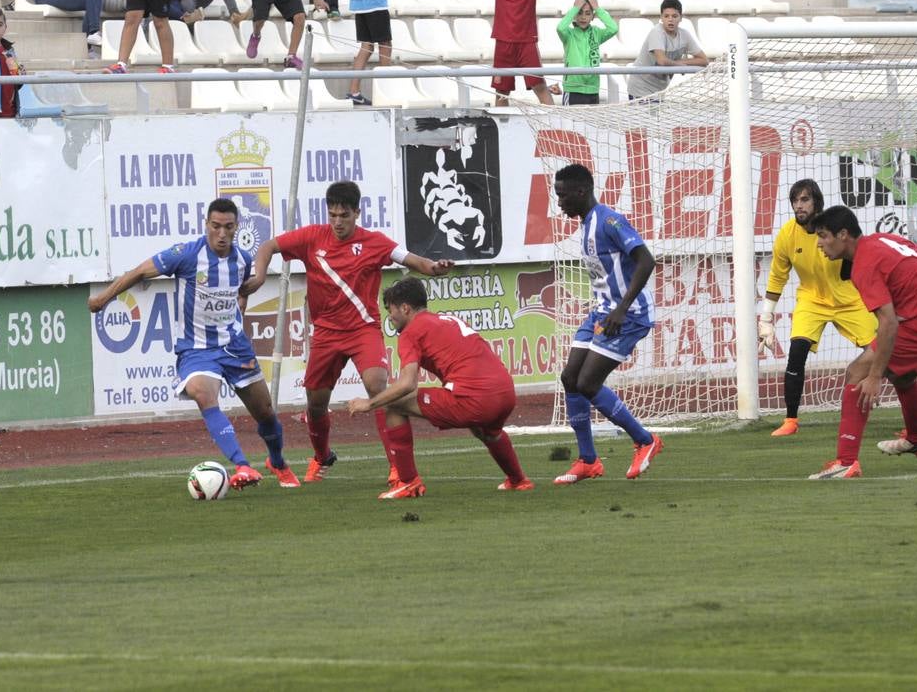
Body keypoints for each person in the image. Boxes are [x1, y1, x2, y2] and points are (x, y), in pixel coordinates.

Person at [243, 180, 453, 485]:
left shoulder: (374, 242)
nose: (338, 222)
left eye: (344, 215)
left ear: (357, 212)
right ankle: (322, 456)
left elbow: (411, 260)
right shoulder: (313, 237)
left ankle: (397, 468)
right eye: (333, 215)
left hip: (362, 330)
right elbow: (268, 246)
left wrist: (434, 267)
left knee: (378, 387)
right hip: (326, 333)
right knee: (316, 403)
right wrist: (260, 275)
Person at [88, 199, 300, 490]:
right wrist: (103, 298)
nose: (222, 234)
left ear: (236, 227)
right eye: (216, 227)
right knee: (203, 393)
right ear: (206, 225)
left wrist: (238, 315)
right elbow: (138, 272)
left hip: (235, 346)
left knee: (265, 412)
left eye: (228, 227)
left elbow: (239, 293)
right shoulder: (186, 254)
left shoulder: (241, 260)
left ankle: (277, 461)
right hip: (197, 349)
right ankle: (242, 465)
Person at [759, 180, 917, 438]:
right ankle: (791, 420)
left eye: (804, 200)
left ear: (816, 203)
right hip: (812, 300)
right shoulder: (786, 236)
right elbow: (777, 277)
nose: (799, 206)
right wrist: (766, 317)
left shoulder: (834, 228)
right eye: (795, 201)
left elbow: (858, 254)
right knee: (796, 352)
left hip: (849, 299)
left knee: (882, 354)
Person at [809, 206, 917, 480]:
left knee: (858, 372)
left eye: (823, 236)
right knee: (902, 376)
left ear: (843, 234)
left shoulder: (863, 265)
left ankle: (846, 463)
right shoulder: (884, 238)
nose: (819, 243)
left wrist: (874, 376)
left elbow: (889, 323)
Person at [347, 278, 533, 499]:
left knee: (393, 405)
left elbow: (408, 383)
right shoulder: (448, 319)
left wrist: (369, 403)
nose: (390, 317)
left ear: (405, 308)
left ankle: (408, 482)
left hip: (475, 399)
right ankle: (518, 480)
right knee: (487, 430)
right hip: (506, 393)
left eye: (391, 310)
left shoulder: (411, 331)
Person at [551, 163, 664, 483]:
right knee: (570, 377)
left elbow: (646, 260)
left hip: (628, 316)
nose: (559, 202)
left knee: (587, 383)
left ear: (581, 192)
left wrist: (622, 309)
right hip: (602, 313)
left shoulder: (610, 220)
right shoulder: (586, 224)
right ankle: (588, 460)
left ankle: (645, 440)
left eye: (562, 195)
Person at [625, 0, 708, 101]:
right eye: (666, 16)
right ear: (661, 18)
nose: (670, 19)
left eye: (674, 16)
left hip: (660, 89)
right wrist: (680, 65)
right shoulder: (657, 32)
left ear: (681, 18)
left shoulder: (685, 35)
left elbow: (704, 60)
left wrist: (681, 62)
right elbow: (662, 61)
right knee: (647, 117)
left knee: (657, 117)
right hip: (640, 88)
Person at [554, 0, 618, 105]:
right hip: (573, 90)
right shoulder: (568, 34)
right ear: (574, 15)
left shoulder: (597, 33)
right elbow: (560, 28)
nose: (583, 17)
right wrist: (575, 8)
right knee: (571, 122)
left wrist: (597, 8)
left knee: (591, 123)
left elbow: (613, 28)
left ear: (593, 16)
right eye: (579, 13)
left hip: (593, 89)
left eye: (588, 13)